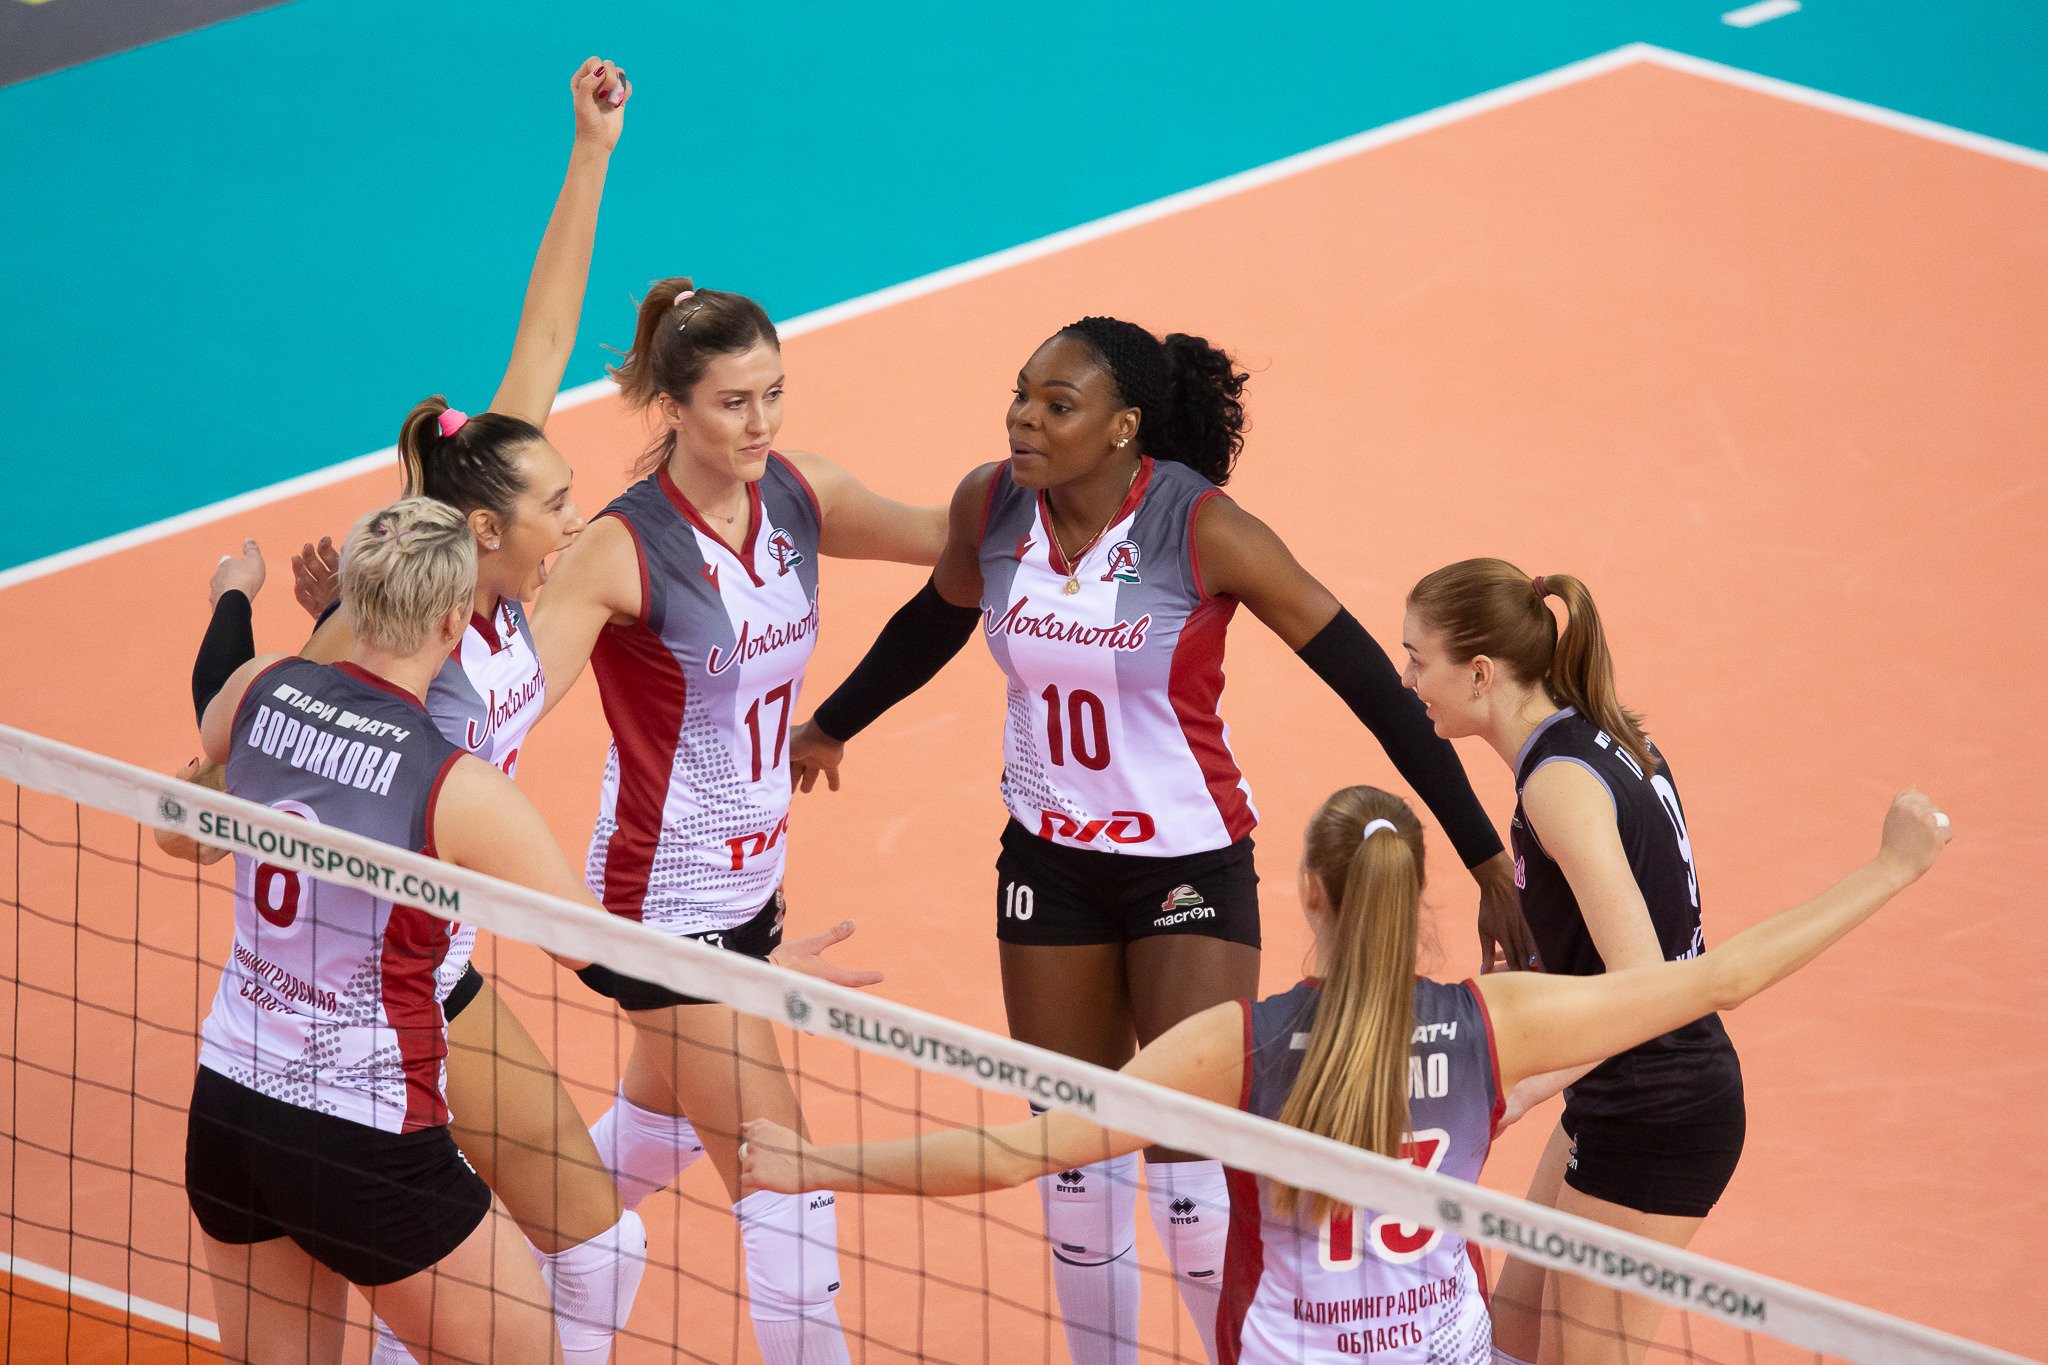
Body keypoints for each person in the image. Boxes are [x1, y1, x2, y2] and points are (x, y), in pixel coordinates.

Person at [783, 316, 1530, 1361]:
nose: (1023, 418)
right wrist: (833, 722)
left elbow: (1374, 687)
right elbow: (936, 616)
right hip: (1049, 863)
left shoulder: (1203, 530)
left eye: (1057, 404)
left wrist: (1485, 855)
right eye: (1020, 392)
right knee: (1074, 1162)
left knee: (1191, 1164)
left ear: (1124, 426)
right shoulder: (990, 506)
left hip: (1186, 863)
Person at [739, 783, 1951, 1364]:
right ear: (1415, 899)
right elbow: (1720, 978)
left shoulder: (1234, 1045)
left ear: (1307, 897)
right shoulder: (1493, 1024)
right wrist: (1891, 867)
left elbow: (1016, 1152)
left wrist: (812, 1162)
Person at [171, 58, 661, 1364]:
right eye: (557, 504)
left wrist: (591, 151)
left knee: (601, 1246)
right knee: (475, 1254)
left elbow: (542, 344)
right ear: (486, 528)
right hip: (366, 997)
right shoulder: (381, 638)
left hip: (430, 970)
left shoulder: (480, 538)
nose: (575, 515)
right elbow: (230, 773)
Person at [515, 276, 947, 1364]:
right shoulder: (619, 549)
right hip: (661, 906)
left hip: (753, 891)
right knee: (786, 1187)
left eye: (774, 394)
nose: (761, 424)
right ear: (671, 406)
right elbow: (504, 708)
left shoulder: (801, 494)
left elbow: (952, 539)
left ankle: (465, 1265)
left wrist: (1076, 493)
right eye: (733, 402)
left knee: (654, 1136)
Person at [188, 497, 637, 1364]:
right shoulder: (455, 784)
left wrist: (233, 595)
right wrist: (754, 973)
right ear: (451, 621)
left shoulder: (263, 689)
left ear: (351, 598)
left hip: (231, 1110)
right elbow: (598, 954)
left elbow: (214, 692)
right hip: (364, 1135)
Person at [1396, 559, 1741, 1362]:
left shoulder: (1556, 784)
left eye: (1417, 658)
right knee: (1513, 1337)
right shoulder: (1596, 736)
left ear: (1480, 672)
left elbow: (1645, 987)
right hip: (1621, 1091)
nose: (1406, 679)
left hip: (1660, 1106)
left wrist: (1521, 1083)